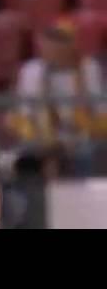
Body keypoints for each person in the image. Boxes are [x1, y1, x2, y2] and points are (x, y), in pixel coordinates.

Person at [9, 18, 107, 176]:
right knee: (24, 156)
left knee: (87, 153)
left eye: (60, 41)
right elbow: (24, 115)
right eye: (50, 41)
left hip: (81, 136)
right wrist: (42, 138)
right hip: (43, 137)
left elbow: (100, 114)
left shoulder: (88, 69)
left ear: (72, 45)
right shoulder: (31, 71)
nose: (53, 46)